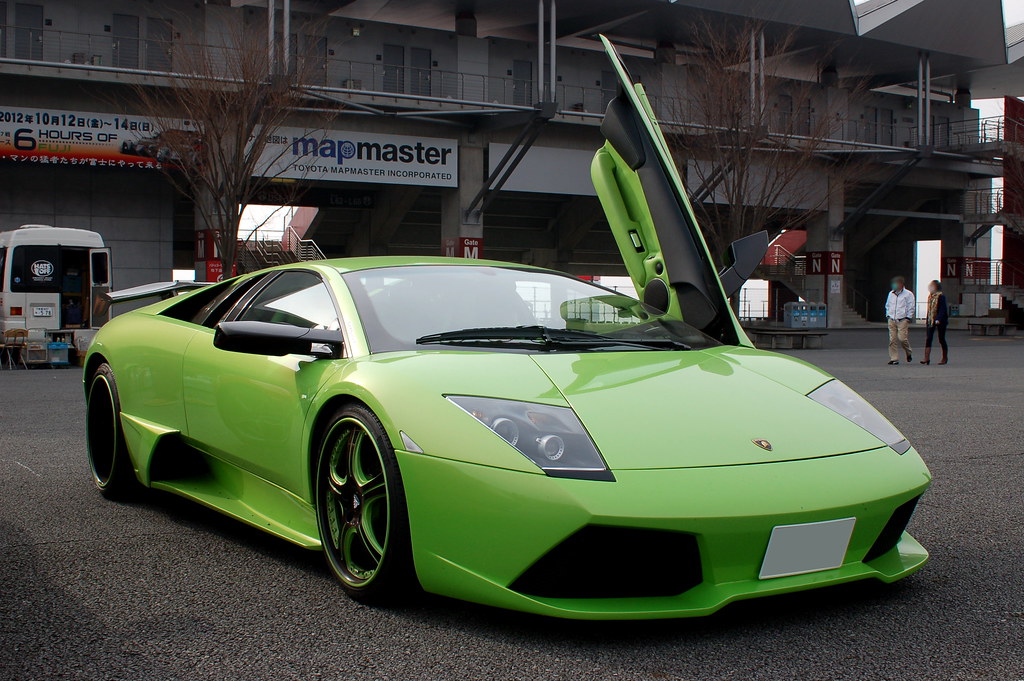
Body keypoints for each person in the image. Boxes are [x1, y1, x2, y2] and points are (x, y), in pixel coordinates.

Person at [885, 276, 915, 365]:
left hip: (902, 319)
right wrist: (888, 315)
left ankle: (908, 352)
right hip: (892, 319)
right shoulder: (891, 294)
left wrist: (908, 317)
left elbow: (911, 306)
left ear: (901, 284)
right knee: (892, 340)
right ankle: (894, 358)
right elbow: (888, 305)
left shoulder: (908, 294)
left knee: (902, 339)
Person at [921, 279, 949, 365]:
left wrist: (938, 319)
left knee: (941, 338)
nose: (930, 287)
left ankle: (944, 358)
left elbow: (942, 309)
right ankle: (926, 358)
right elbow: (929, 310)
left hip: (940, 320)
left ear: (936, 287)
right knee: (928, 338)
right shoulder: (930, 297)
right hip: (931, 320)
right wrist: (928, 319)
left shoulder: (941, 296)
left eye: (932, 286)